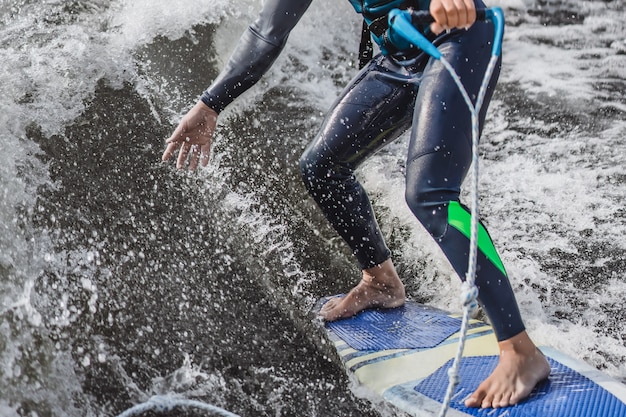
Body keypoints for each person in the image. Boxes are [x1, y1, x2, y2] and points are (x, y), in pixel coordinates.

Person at [162, 0, 551, 409]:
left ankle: (520, 351)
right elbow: (268, 31)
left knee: (430, 197)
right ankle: (381, 283)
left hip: (458, 39)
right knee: (321, 167)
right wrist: (209, 104)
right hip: (398, 55)